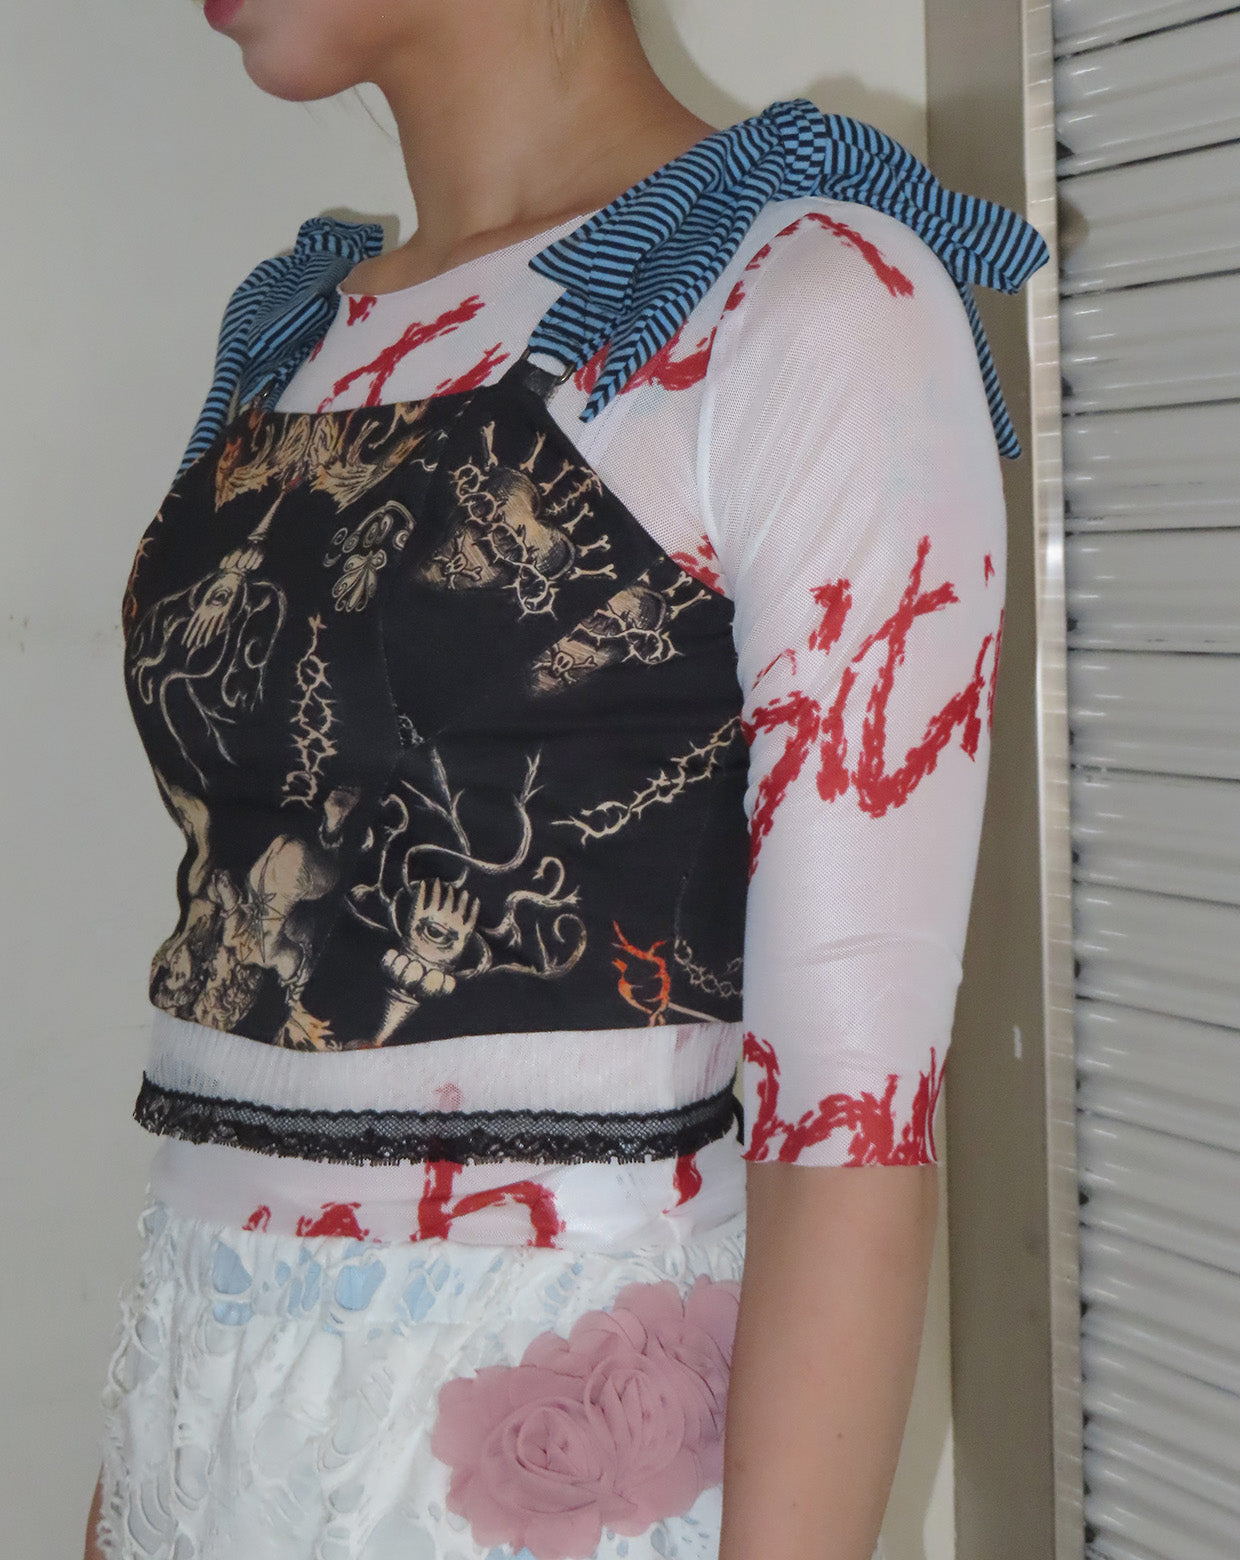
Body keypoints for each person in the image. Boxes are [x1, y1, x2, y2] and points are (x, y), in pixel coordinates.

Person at [86, 2, 1047, 1557]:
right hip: (202, 1448)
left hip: (544, 1480)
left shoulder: (802, 301)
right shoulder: (290, 337)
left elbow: (852, 1135)